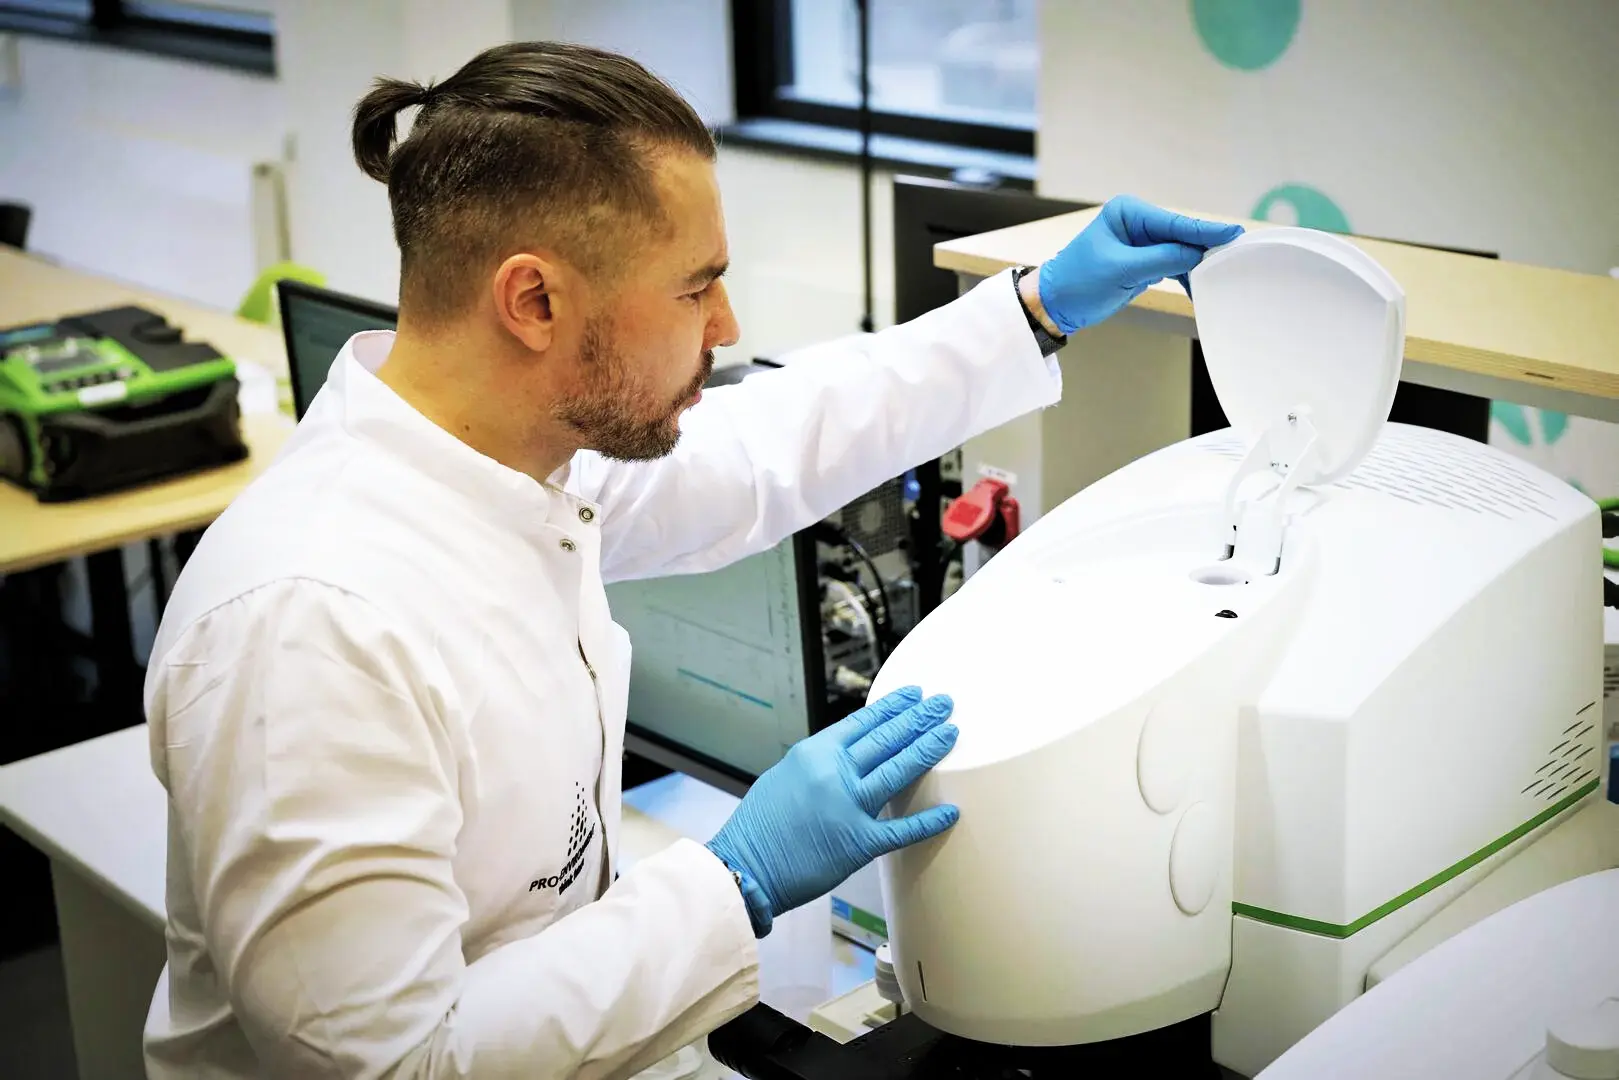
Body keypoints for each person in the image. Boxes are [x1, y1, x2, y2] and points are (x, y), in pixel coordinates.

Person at [140, 39, 1241, 1080]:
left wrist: (1032, 310)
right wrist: (733, 880)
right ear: (533, 300)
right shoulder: (309, 626)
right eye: (693, 286)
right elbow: (395, 1065)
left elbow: (762, 447)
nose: (725, 326)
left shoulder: (511, 467)